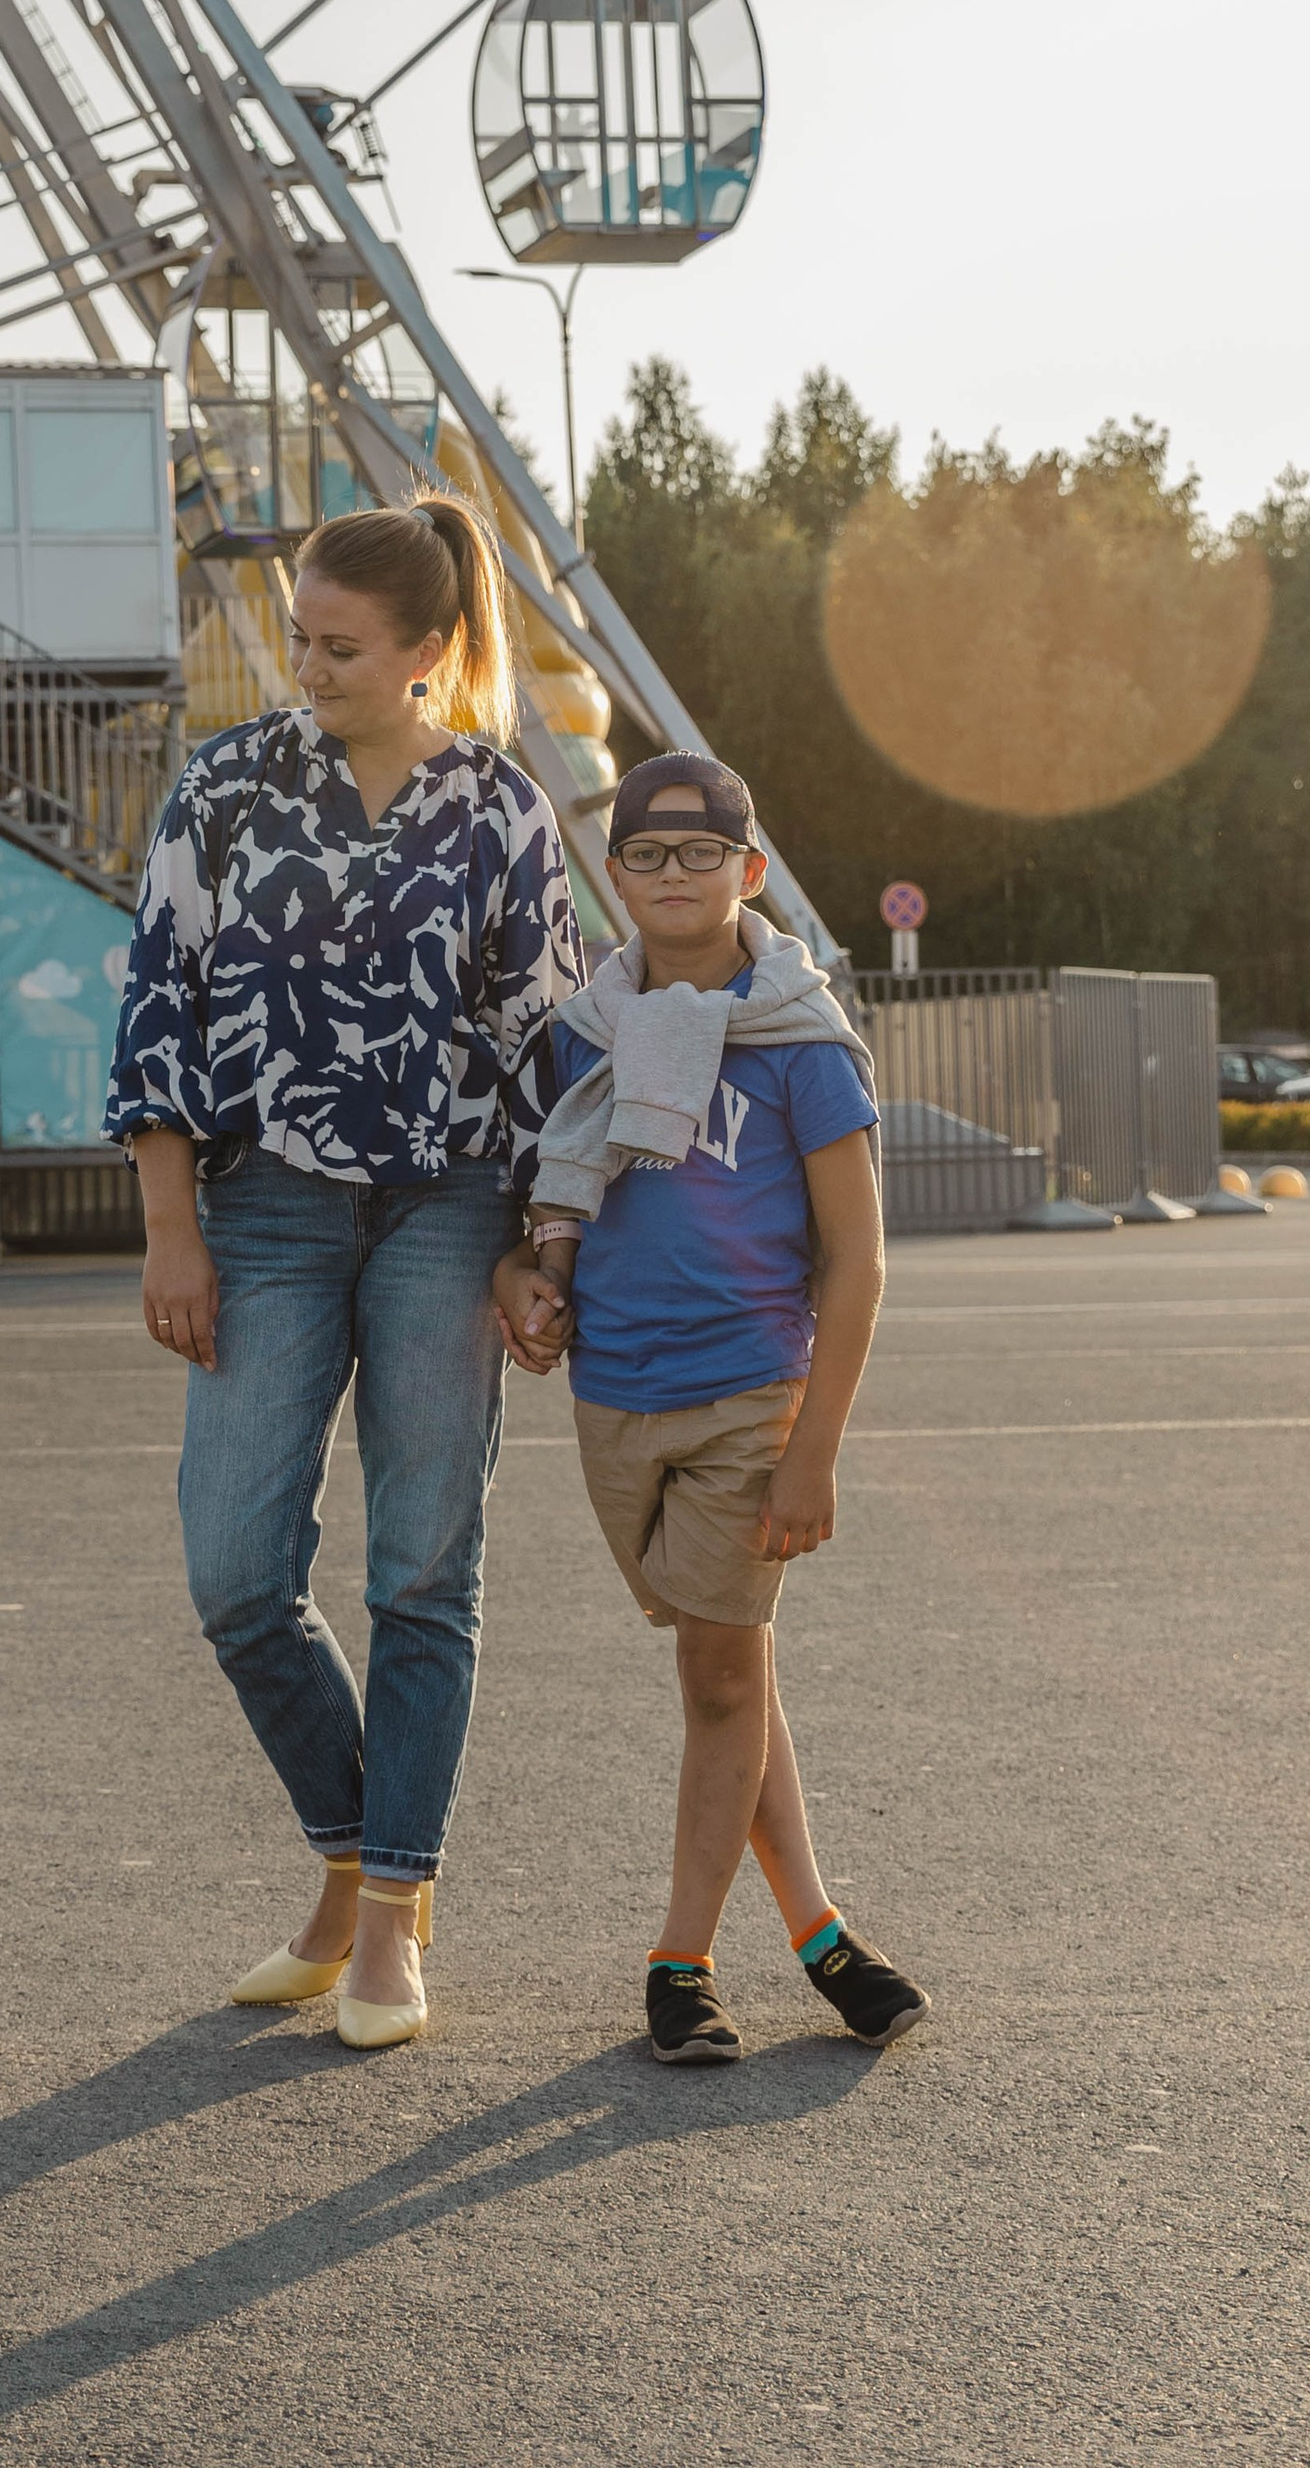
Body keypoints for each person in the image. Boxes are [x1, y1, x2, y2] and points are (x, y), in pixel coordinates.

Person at [109, 497, 581, 2051]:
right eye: (298, 634)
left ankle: (386, 1920)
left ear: (432, 652)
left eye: (340, 644)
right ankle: (351, 1855)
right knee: (239, 1573)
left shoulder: (505, 811)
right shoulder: (227, 787)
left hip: (451, 1209)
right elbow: (158, 1012)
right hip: (262, 1211)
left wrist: (534, 1248)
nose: (305, 663)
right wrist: (171, 1225)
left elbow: (543, 1056)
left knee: (422, 1573)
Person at [493, 750, 931, 2064]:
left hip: (751, 1393)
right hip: (614, 1399)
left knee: (720, 1670)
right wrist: (525, 1283)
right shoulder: (581, 1033)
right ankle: (823, 1934)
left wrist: (814, 1451)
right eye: (646, 853)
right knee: (728, 1668)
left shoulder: (800, 1042)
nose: (674, 874)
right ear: (611, 874)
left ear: (750, 870)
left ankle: (677, 1963)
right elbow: (535, 1221)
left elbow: (858, 1256)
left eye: (702, 853)